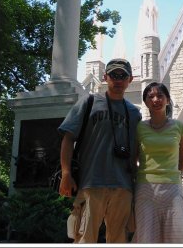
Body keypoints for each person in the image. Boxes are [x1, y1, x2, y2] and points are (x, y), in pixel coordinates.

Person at [58, 58, 141, 244]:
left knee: (119, 239)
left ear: (130, 79)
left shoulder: (134, 113)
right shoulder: (88, 102)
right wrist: (66, 173)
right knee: (85, 238)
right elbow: (68, 138)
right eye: (113, 75)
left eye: (122, 75)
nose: (118, 79)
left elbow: (135, 151)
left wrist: (136, 184)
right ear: (105, 77)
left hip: (123, 186)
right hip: (91, 183)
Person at [132, 82, 183, 243]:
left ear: (168, 100)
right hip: (145, 188)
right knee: (147, 235)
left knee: (179, 235)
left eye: (160, 95)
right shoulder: (139, 128)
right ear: (146, 102)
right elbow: (133, 158)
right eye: (150, 96)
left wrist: (176, 175)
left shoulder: (179, 127)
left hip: (172, 188)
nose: (156, 99)